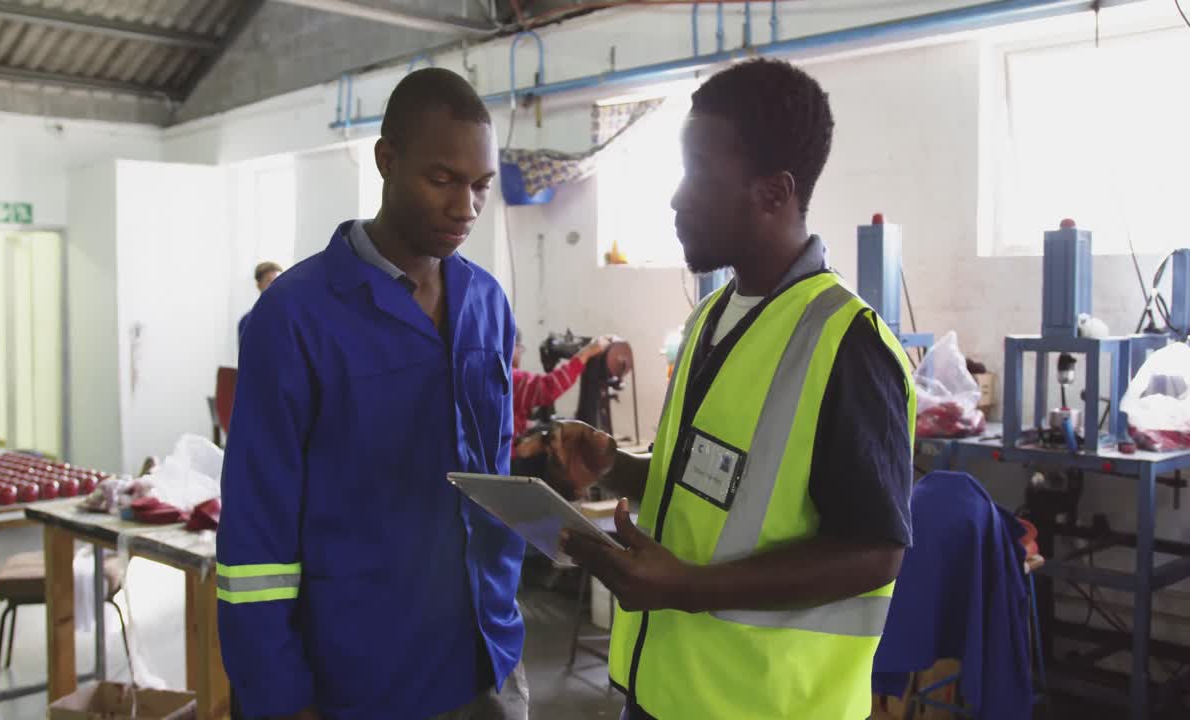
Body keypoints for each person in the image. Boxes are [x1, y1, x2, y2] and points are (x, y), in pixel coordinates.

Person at [552, 58, 918, 720]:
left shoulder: (846, 343)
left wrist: (690, 588)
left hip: (765, 703)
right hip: (667, 687)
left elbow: (876, 550)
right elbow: (715, 489)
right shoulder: (712, 319)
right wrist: (617, 468)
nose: (674, 198)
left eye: (696, 174)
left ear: (773, 193)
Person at [218, 68, 527, 720]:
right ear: (387, 161)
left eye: (480, 187)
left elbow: (487, 479)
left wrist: (552, 473)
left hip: (486, 659)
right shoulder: (297, 317)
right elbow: (254, 541)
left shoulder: (487, 306)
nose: (465, 208)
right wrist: (278, 699)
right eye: (443, 179)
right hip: (357, 679)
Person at [511, 330, 615, 448]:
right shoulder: (509, 378)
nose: (520, 353)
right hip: (506, 459)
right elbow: (548, 388)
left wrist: (525, 425)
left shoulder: (493, 375)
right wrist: (585, 353)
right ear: (510, 346)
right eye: (519, 348)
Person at [237, 261, 282, 345]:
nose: (274, 285)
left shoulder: (288, 316)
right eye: (269, 281)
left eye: (277, 281)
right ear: (259, 285)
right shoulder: (247, 321)